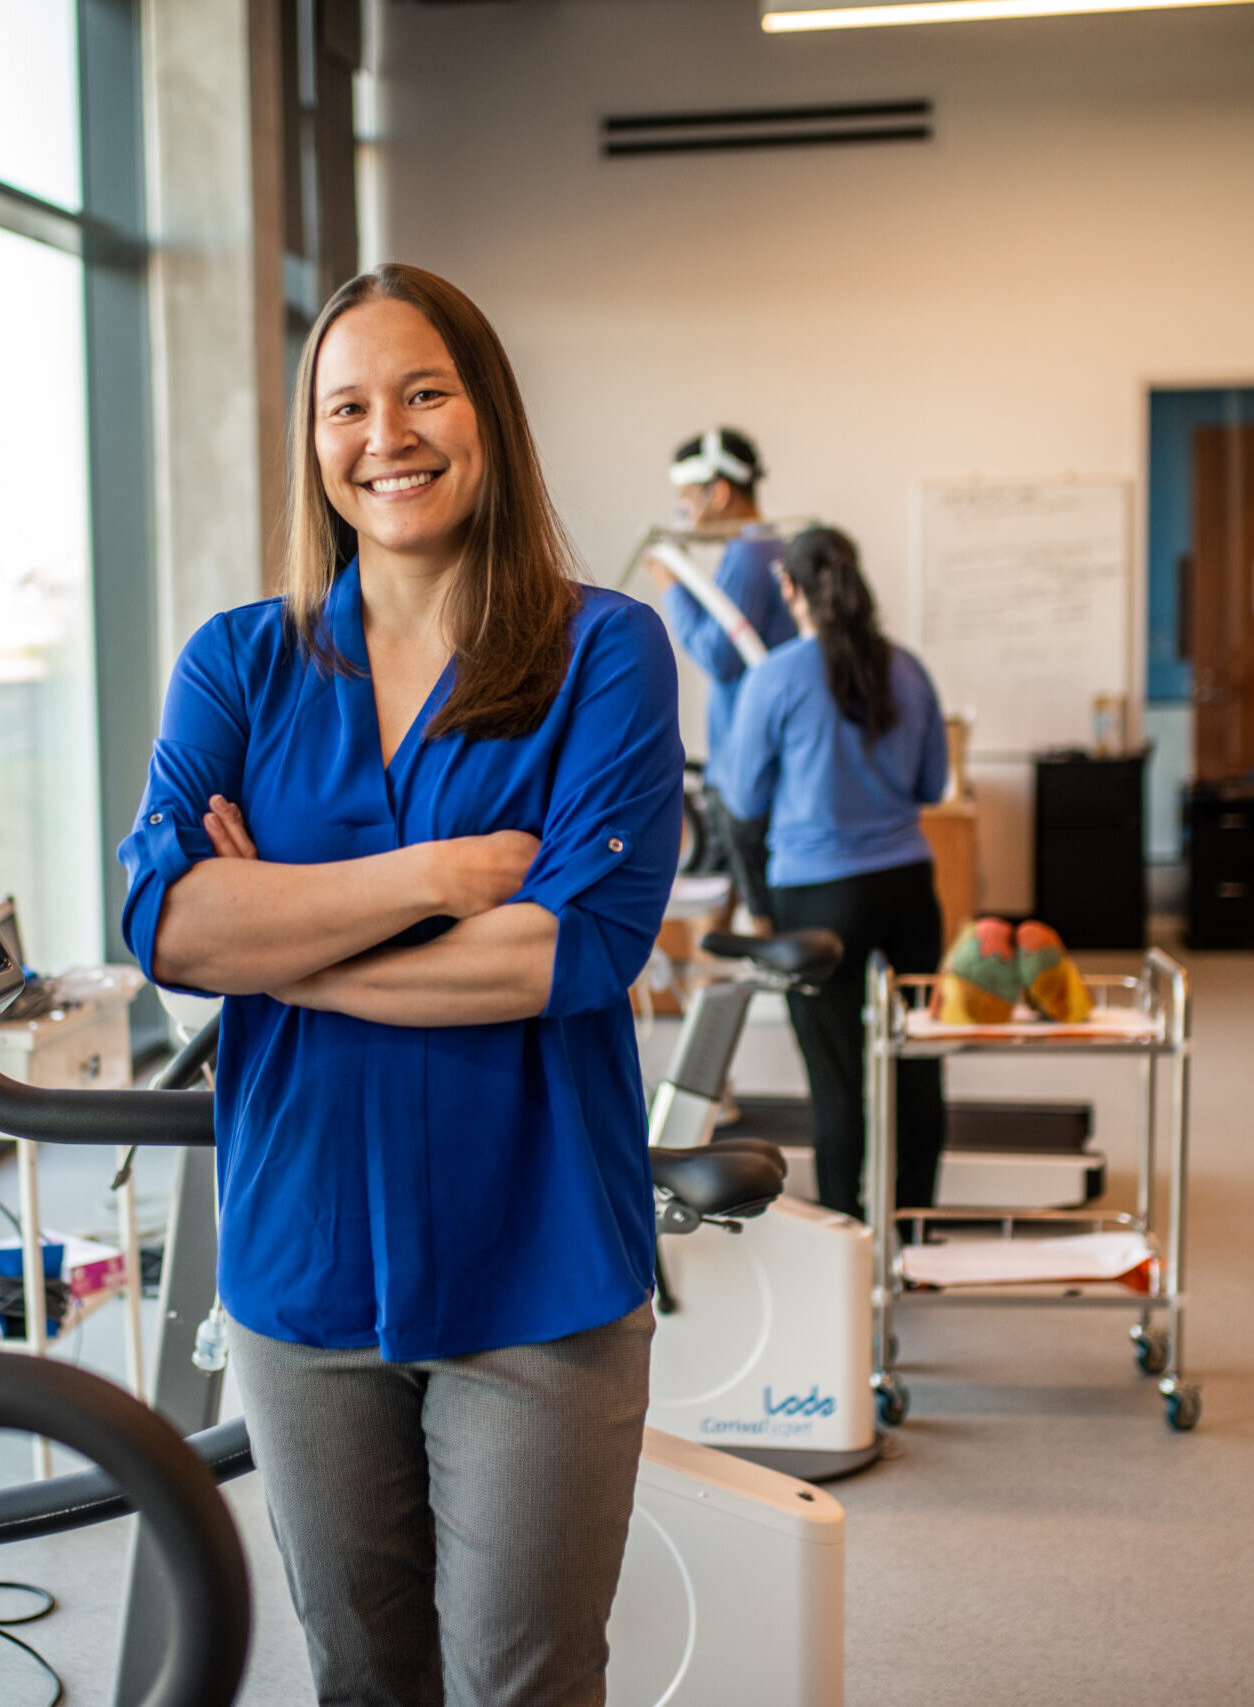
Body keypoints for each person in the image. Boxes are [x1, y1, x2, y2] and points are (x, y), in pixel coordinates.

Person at [119, 262, 684, 1707]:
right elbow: (169, 926)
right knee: (362, 1676)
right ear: (313, 440)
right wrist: (434, 882)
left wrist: (285, 939)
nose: (389, 433)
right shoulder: (239, 663)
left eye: (424, 390)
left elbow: (571, 949)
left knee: (525, 1676)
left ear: (485, 410)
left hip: (537, 1257)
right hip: (303, 1262)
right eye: (347, 404)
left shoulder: (603, 649)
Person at [716, 525, 947, 1222]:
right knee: (917, 1064)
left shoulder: (777, 676)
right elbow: (932, 784)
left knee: (837, 1081)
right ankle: (914, 1237)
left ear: (789, 589)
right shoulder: (907, 668)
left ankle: (850, 1241)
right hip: (908, 889)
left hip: (816, 898)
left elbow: (743, 800)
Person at [642, 427, 796, 924]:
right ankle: (708, 1000)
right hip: (746, 763)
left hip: (746, 773)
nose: (685, 509)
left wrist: (672, 586)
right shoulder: (768, 547)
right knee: (719, 910)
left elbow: (718, 655)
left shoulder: (751, 552)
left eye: (689, 496)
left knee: (752, 914)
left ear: (720, 491)